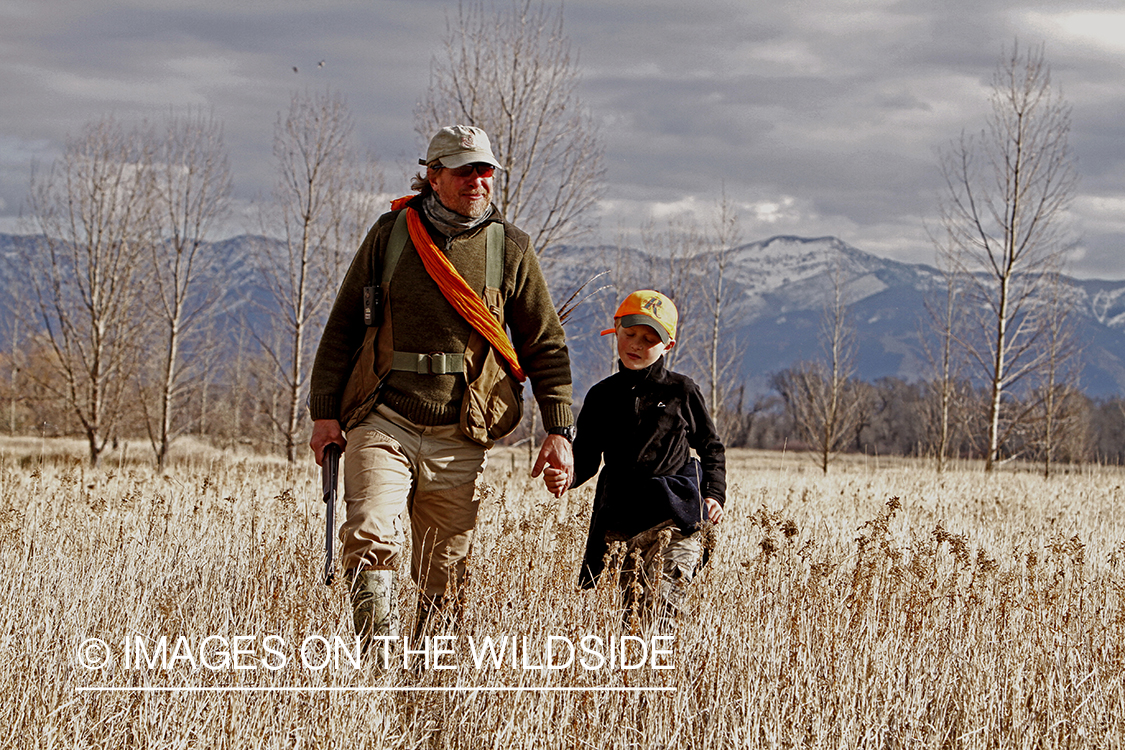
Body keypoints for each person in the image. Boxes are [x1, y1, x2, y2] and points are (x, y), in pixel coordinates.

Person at [308, 124, 575, 647]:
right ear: (433, 176)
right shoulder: (389, 235)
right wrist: (324, 412)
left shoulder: (512, 248)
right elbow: (342, 326)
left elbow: (545, 343)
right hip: (383, 416)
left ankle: (430, 678)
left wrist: (559, 429)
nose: (479, 181)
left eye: (486, 170)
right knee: (368, 535)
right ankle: (376, 669)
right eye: (465, 170)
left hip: (462, 428)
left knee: (444, 570)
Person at [543, 290, 725, 625]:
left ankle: (663, 668)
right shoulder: (601, 396)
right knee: (634, 614)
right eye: (630, 334)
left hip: (676, 515)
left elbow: (711, 446)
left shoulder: (682, 391)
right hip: (623, 520)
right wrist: (566, 477)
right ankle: (639, 670)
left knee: (662, 605)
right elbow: (585, 458)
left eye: (649, 338)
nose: (637, 345)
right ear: (616, 330)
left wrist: (714, 494)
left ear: (667, 346)